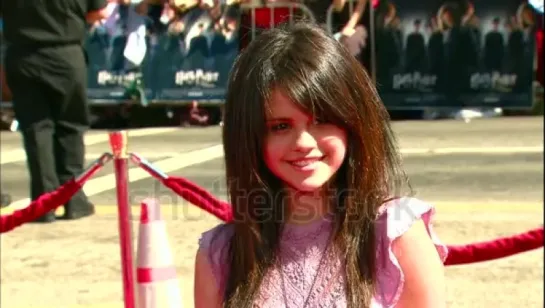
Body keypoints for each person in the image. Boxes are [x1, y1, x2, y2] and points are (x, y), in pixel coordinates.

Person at [194, 22, 448, 307]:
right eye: (279, 126)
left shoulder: (395, 233)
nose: (303, 141)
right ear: (249, 137)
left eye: (321, 120)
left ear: (352, 123)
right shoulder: (220, 254)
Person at [0, 0, 111, 222]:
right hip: (65, 52)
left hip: (23, 55)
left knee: (36, 128)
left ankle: (44, 204)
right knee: (70, 127)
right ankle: (73, 200)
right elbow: (99, 12)